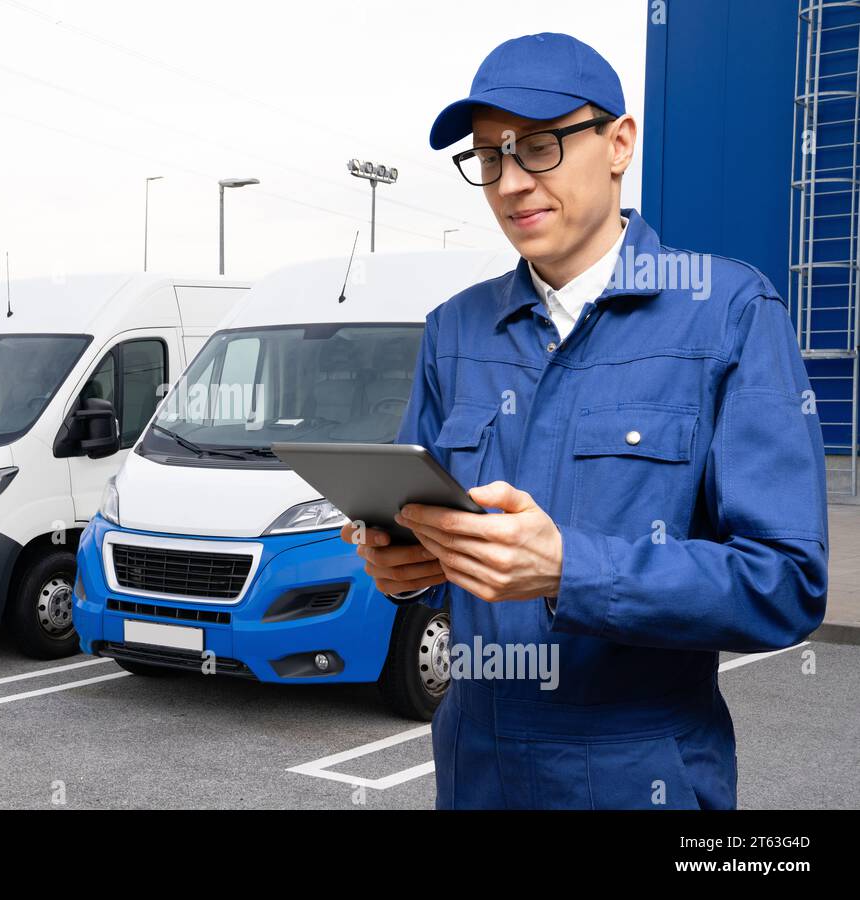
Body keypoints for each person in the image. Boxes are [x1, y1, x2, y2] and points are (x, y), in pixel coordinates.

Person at [341, 32, 828, 809]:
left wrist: (573, 569)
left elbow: (789, 585)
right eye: (489, 157)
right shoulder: (454, 332)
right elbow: (429, 530)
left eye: (538, 147)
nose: (509, 183)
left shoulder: (729, 314)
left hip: (641, 781)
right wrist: (406, 570)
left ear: (619, 143)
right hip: (476, 777)